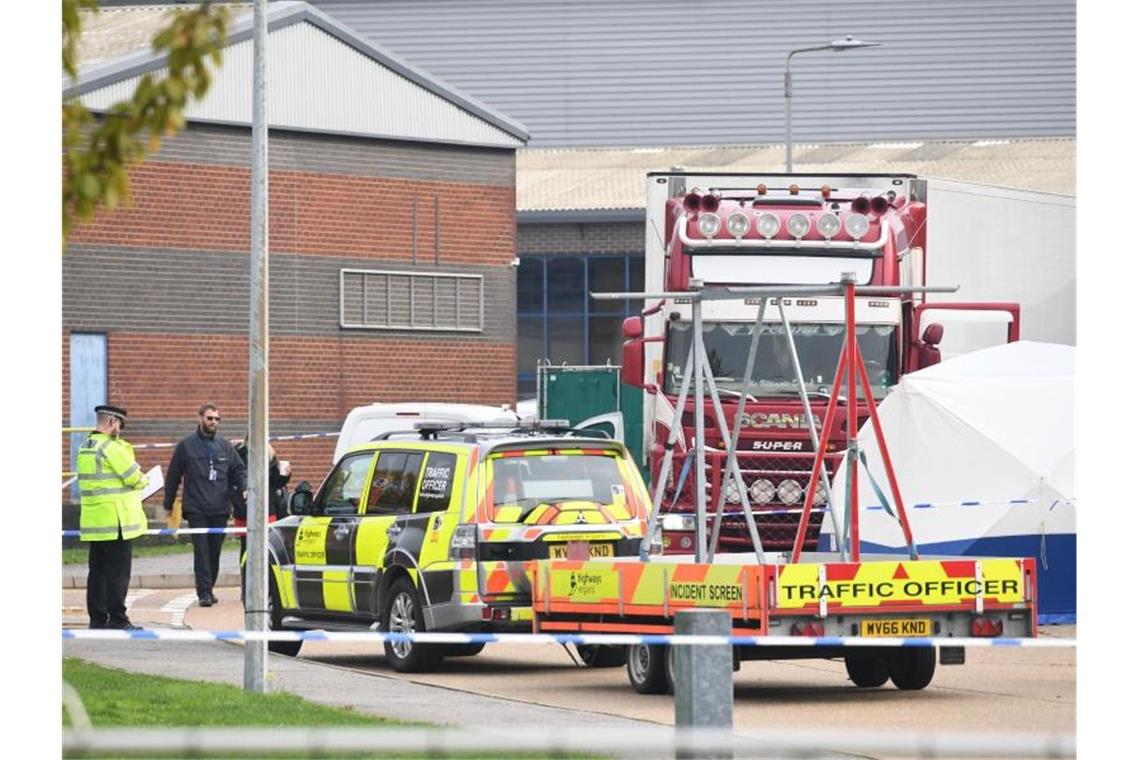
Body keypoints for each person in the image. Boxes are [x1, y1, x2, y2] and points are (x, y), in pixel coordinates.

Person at [163, 403, 246, 607]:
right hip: (196, 508)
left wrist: (245, 487)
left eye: (217, 419)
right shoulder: (186, 446)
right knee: (201, 551)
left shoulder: (225, 446)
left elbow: (239, 470)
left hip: (219, 508)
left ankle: (209, 586)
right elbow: (173, 476)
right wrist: (169, 502)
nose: (213, 422)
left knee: (214, 551)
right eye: (210, 418)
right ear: (200, 418)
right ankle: (204, 593)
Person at [78, 404, 149, 630]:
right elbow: (134, 478)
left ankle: (97, 619)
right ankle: (118, 618)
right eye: (119, 425)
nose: (120, 429)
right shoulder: (110, 447)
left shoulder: (84, 446)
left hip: (94, 520)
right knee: (118, 574)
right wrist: (144, 479)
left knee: (97, 573)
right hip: (116, 520)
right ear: (111, 423)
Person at [231, 439, 291, 600]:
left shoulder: (269, 454)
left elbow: (275, 483)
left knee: (266, 548)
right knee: (246, 550)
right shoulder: (239, 454)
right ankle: (246, 588)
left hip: (267, 508)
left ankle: (265, 586)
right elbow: (234, 479)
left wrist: (285, 474)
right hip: (245, 510)